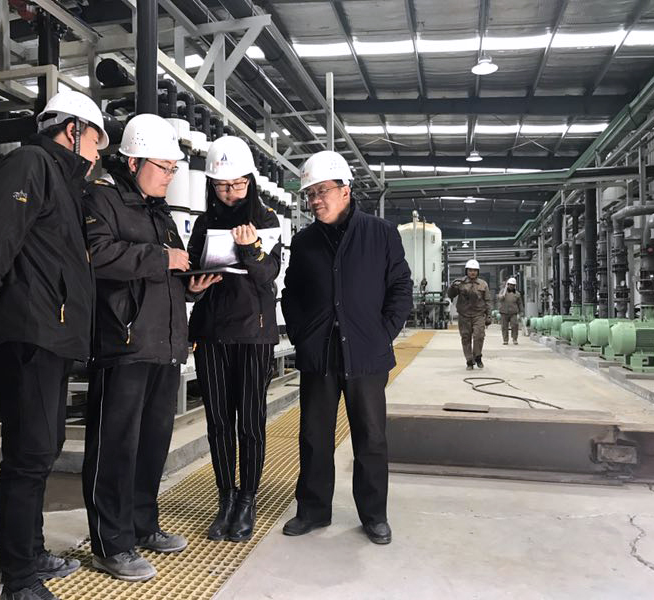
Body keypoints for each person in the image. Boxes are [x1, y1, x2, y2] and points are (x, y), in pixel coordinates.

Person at [0, 89, 109, 600]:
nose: (98, 152)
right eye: (96, 140)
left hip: (50, 334)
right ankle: (19, 578)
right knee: (28, 455)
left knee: (41, 450)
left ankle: (32, 550)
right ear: (73, 130)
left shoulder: (62, 181)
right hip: (29, 334)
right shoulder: (31, 163)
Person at [80, 114, 219, 582]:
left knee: (151, 446)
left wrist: (190, 286)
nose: (170, 176)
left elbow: (166, 272)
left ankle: (142, 526)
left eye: (174, 169)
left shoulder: (158, 211)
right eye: (164, 167)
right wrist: (161, 257)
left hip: (164, 344)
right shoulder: (102, 198)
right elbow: (96, 256)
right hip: (123, 343)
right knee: (115, 448)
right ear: (134, 161)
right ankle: (110, 545)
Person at [280, 150, 412, 545]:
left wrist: (382, 333)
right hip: (319, 354)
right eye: (310, 194)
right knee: (314, 436)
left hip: (366, 354)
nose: (315, 200)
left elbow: (400, 287)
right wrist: (302, 336)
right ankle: (313, 511)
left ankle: (374, 515)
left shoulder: (381, 233)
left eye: (322, 191)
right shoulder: (304, 242)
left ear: (345, 189)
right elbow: (291, 294)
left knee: (370, 437)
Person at [187, 135, 281, 542]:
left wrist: (251, 248)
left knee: (251, 422)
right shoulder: (204, 223)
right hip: (211, 334)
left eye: (237, 184)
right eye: (222, 185)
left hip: (254, 335)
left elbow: (268, 274)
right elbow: (190, 271)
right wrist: (193, 288)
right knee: (219, 422)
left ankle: (247, 500)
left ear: (250, 181)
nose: (229, 192)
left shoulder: (267, 220)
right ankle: (225, 498)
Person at [447, 259, 491, 370]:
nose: (472, 272)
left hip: (478, 315)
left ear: (478, 272)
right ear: (466, 271)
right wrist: (452, 287)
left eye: (475, 270)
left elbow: (487, 301)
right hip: (464, 315)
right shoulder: (460, 283)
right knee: (465, 338)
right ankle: (469, 361)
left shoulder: (483, 284)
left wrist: (489, 316)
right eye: (470, 270)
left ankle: (477, 356)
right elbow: (451, 295)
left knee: (479, 336)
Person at [499, 277, 524, 345]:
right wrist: (502, 296)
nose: (511, 286)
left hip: (513, 312)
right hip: (504, 312)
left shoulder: (517, 294)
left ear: (515, 286)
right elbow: (499, 298)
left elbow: (520, 303)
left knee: (515, 326)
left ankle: (515, 339)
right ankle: (505, 340)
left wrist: (521, 311)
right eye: (510, 284)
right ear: (508, 285)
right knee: (504, 327)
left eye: (513, 285)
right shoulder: (503, 291)